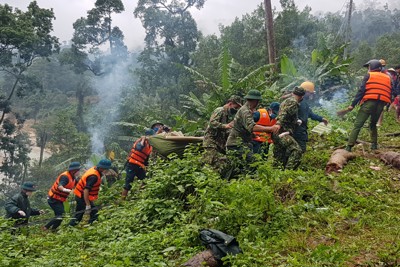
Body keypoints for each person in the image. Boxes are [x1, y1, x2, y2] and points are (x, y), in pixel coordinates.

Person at [345, 59, 392, 151]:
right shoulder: (387, 77)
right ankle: (374, 145)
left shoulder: (369, 75)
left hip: (370, 102)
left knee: (358, 124)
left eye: (368, 67)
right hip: (381, 104)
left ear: (371, 67)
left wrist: (353, 104)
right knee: (373, 124)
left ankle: (349, 146)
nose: (368, 69)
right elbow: (389, 91)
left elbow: (361, 91)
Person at [226, 90, 274, 168]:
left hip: (241, 144)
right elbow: (252, 127)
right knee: (254, 164)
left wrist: (252, 135)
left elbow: (245, 127)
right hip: (236, 145)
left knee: (241, 169)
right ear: (255, 101)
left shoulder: (248, 110)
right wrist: (270, 128)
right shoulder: (245, 111)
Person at [203, 95, 242, 175]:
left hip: (220, 144)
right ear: (230, 104)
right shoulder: (220, 110)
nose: (236, 109)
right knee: (212, 161)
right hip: (211, 142)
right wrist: (225, 126)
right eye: (236, 107)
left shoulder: (228, 115)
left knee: (225, 162)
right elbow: (212, 123)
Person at [69, 159, 112, 226]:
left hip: (81, 195)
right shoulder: (93, 177)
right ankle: (72, 227)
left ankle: (89, 226)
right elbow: (86, 190)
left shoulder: (95, 169)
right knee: (81, 214)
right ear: (102, 168)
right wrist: (88, 204)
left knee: (88, 213)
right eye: (106, 169)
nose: (107, 171)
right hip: (81, 196)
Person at [270, 87, 304, 170]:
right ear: (302, 96)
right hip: (282, 132)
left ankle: (276, 175)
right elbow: (284, 114)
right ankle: (288, 172)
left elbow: (287, 114)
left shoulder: (286, 101)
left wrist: (296, 121)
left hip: (278, 133)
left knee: (279, 156)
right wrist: (278, 124)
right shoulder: (293, 102)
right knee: (297, 151)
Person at [43, 162, 81, 230]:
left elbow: (79, 185)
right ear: (73, 171)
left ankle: (53, 230)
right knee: (61, 215)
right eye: (78, 170)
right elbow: (60, 187)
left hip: (59, 199)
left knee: (60, 217)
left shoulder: (73, 178)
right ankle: (46, 227)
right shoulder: (65, 177)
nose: (79, 172)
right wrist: (69, 191)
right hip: (53, 199)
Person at [293, 81, 328, 153]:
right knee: (299, 151)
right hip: (298, 131)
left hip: (300, 131)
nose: (311, 95)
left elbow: (310, 114)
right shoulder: (300, 103)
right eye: (310, 93)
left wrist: (321, 119)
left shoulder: (304, 102)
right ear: (305, 92)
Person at [121, 129, 154, 199]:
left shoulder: (150, 145)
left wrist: (146, 167)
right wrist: (143, 139)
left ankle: (139, 196)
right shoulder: (141, 141)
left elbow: (146, 158)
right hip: (132, 165)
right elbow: (139, 148)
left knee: (145, 180)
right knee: (128, 183)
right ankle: (122, 200)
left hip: (139, 166)